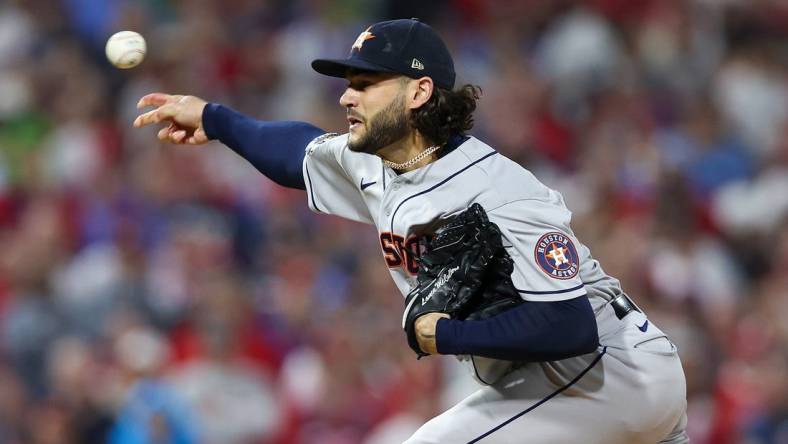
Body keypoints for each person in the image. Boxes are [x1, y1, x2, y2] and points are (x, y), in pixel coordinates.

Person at [133, 18, 689, 444]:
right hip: (565, 384)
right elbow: (295, 152)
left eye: (367, 83)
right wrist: (214, 119)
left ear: (419, 93)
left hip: (607, 375)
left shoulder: (499, 190)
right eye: (349, 82)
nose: (348, 96)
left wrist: (446, 335)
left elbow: (570, 326)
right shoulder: (378, 161)